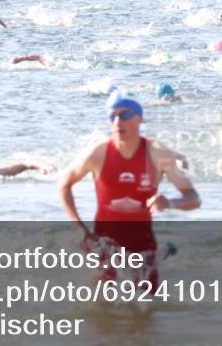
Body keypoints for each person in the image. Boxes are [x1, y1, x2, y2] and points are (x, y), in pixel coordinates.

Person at [58, 90, 199, 289]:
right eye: (112, 116)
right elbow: (64, 184)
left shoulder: (157, 153)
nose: (117, 121)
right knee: (97, 306)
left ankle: (162, 253)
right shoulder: (98, 153)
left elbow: (193, 198)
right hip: (104, 244)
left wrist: (169, 203)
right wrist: (80, 230)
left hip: (142, 245)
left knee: (147, 306)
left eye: (124, 115)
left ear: (139, 118)